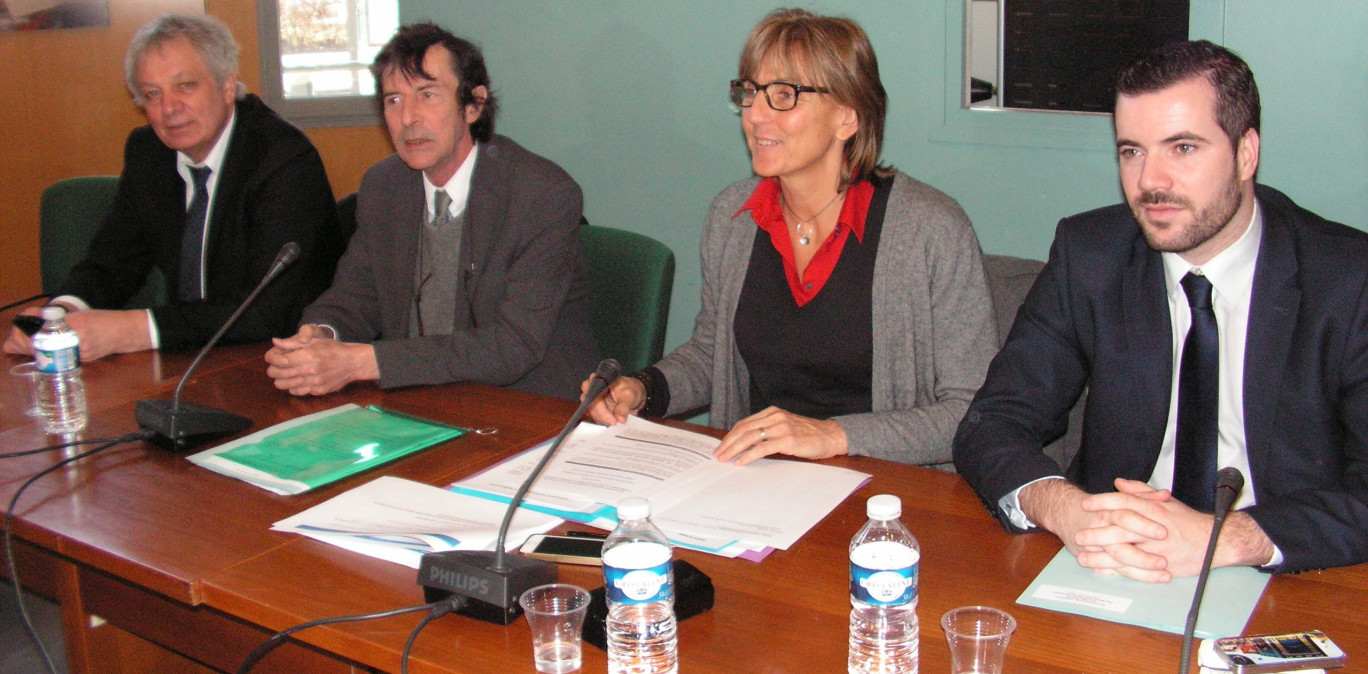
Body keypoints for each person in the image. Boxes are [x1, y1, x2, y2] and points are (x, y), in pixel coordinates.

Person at [954, 40, 1368, 580]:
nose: (1151, 181)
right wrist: (1065, 509)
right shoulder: (1091, 255)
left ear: (1246, 154)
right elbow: (993, 423)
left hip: (1286, 571)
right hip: (1112, 562)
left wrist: (1233, 537)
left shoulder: (1346, 278)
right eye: (1132, 151)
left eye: (1184, 148)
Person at [583, 9, 996, 467]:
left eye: (784, 95)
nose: (756, 115)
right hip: (761, 485)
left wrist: (832, 434)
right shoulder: (733, 217)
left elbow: (973, 412)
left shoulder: (930, 230)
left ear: (847, 118)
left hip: (888, 492)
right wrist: (642, 389)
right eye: (751, 92)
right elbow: (712, 355)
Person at [264, 23, 597, 399]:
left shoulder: (541, 194)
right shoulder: (384, 186)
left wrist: (361, 362)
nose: (408, 117)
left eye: (427, 94)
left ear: (474, 105)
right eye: (393, 100)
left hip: (529, 412)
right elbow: (356, 295)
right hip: (422, 404)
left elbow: (512, 346)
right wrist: (322, 334)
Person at [3, 14, 341, 359]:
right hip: (188, 361)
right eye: (152, 94)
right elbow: (113, 261)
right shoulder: (149, 152)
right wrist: (59, 316)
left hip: (279, 360)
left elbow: (269, 310)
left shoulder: (283, 158)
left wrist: (132, 330)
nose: (169, 109)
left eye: (185, 86)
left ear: (227, 85)